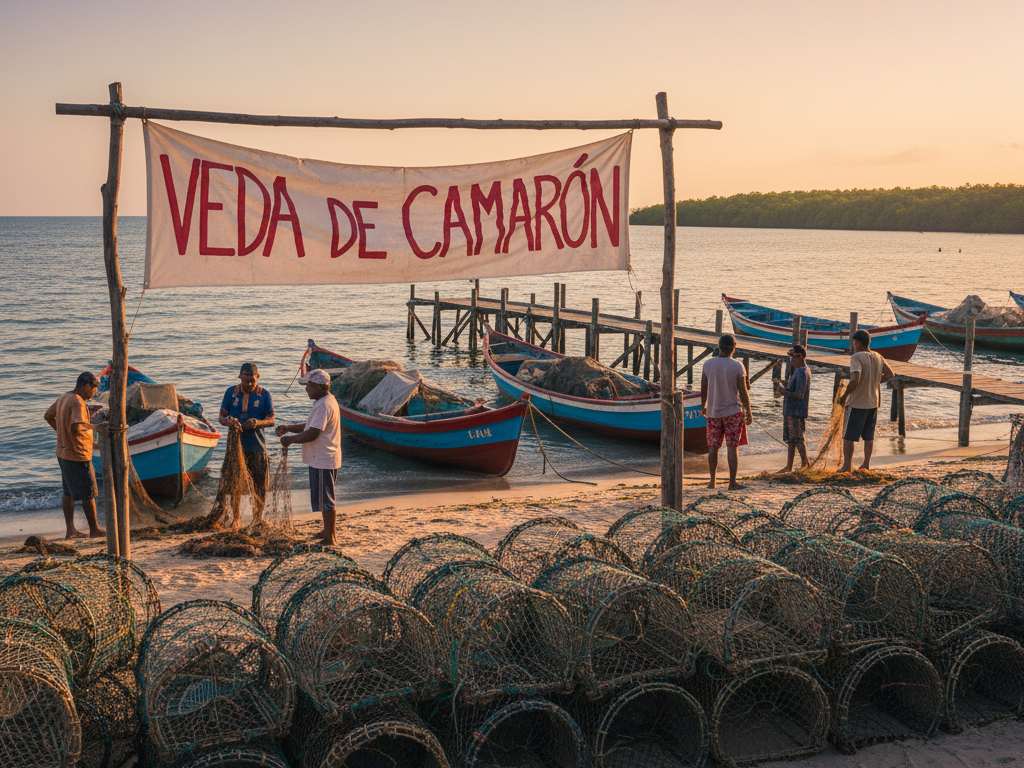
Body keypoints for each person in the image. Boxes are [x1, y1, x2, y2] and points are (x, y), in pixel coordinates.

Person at [276, 369, 342, 545]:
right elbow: (310, 425)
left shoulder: (324, 405)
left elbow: (312, 433)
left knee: (326, 499)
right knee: (323, 497)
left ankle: (330, 537)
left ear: (320, 386)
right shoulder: (326, 401)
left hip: (323, 458)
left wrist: (290, 440)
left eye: (309, 386)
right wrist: (289, 428)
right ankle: (326, 531)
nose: (306, 389)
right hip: (323, 457)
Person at [44, 372, 105, 539]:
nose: (94, 393)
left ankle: (70, 530)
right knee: (89, 493)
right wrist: (96, 427)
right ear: (85, 386)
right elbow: (76, 428)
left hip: (63, 453)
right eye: (93, 389)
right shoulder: (78, 402)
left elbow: (48, 416)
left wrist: (60, 432)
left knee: (68, 492)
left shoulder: (65, 397)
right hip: (78, 454)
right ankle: (94, 529)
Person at [220, 362, 275, 512]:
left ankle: (258, 517)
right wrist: (229, 421)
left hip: (257, 446)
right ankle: (236, 517)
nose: (249, 383)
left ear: (258, 377)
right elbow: (221, 417)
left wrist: (257, 423)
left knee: (259, 483)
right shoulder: (231, 392)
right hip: (235, 446)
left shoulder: (264, 395)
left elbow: (271, 420)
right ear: (240, 377)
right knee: (233, 483)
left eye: (253, 379)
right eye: (246, 379)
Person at [701, 334, 753, 490]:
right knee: (732, 447)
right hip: (732, 412)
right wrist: (749, 410)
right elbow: (743, 391)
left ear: (719, 346)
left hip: (713, 412)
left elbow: (704, 387)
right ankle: (732, 482)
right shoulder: (737, 366)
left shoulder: (708, 364)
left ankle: (712, 481)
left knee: (713, 447)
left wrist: (703, 405)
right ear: (734, 347)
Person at [838, 329, 894, 472]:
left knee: (848, 437)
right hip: (873, 402)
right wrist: (874, 382)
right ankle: (866, 464)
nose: (853, 345)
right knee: (868, 436)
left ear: (857, 342)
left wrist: (844, 396)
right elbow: (890, 374)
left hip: (857, 403)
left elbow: (854, 380)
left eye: (854, 342)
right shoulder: (878, 356)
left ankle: (847, 465)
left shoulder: (856, 357)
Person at [774, 344, 811, 472]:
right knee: (791, 440)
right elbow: (796, 389)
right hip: (791, 410)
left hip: (796, 411)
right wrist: (786, 385)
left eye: (793, 357)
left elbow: (799, 395)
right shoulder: (800, 370)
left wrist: (784, 392)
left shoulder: (801, 372)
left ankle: (805, 464)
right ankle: (789, 466)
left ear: (800, 357)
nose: (791, 360)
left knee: (798, 439)